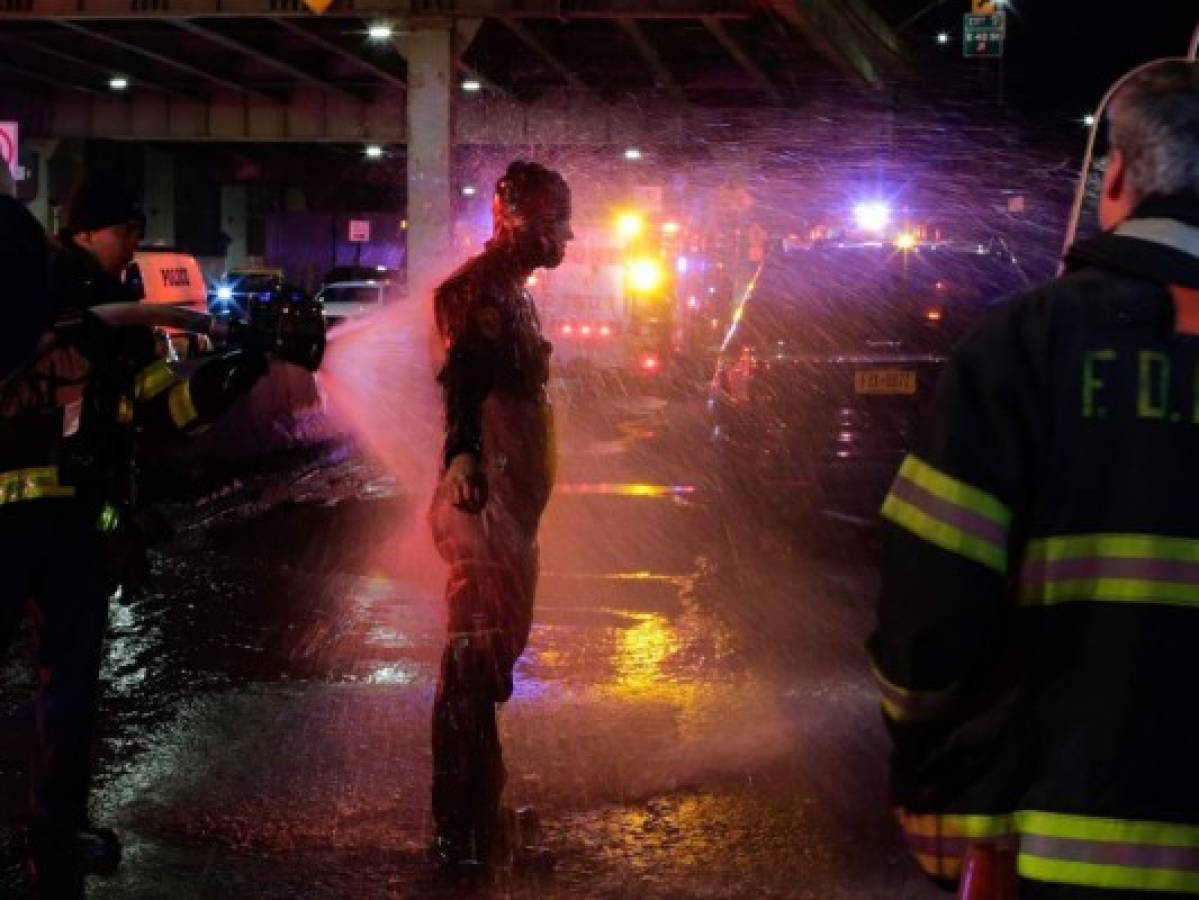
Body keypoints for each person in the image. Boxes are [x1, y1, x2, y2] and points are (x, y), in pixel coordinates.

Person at [868, 60, 1199, 898]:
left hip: (1063, 842)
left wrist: (932, 763)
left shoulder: (1021, 346)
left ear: (1115, 173)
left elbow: (928, 607)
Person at [0, 179, 271, 899]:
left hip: (78, 533)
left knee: (74, 695)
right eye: (124, 231)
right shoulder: (32, 286)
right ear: (86, 231)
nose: (133, 246)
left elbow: (165, 409)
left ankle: (56, 830)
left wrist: (234, 373)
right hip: (13, 522)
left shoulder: (130, 321)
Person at [427, 160, 572, 869]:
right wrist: (461, 456)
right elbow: (463, 375)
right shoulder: (478, 293)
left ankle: (478, 815)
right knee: (472, 660)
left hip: (508, 515)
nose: (568, 237)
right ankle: (460, 833)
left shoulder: (510, 293)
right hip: (483, 514)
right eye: (557, 221)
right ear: (523, 220)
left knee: (488, 663)